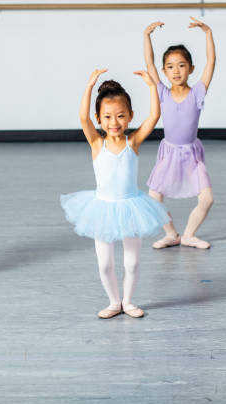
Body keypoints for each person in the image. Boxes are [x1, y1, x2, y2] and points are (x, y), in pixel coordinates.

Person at [61, 69, 170, 318]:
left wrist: (153, 86)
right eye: (107, 117)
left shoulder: (133, 143)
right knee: (105, 263)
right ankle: (113, 302)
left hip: (132, 207)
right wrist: (89, 86)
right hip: (102, 209)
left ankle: (129, 301)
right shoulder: (97, 144)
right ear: (99, 119)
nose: (114, 122)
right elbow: (82, 117)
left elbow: (154, 116)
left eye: (121, 116)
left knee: (131, 262)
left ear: (130, 116)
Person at [144, 17, 216, 249]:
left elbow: (211, 62)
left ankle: (188, 235)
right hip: (170, 152)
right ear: (164, 71)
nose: (176, 71)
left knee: (207, 199)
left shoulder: (197, 93)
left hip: (191, 154)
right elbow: (149, 64)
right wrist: (146, 37)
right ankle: (172, 234)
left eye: (182, 65)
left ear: (191, 68)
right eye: (171, 66)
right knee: (154, 197)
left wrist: (208, 33)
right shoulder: (162, 92)